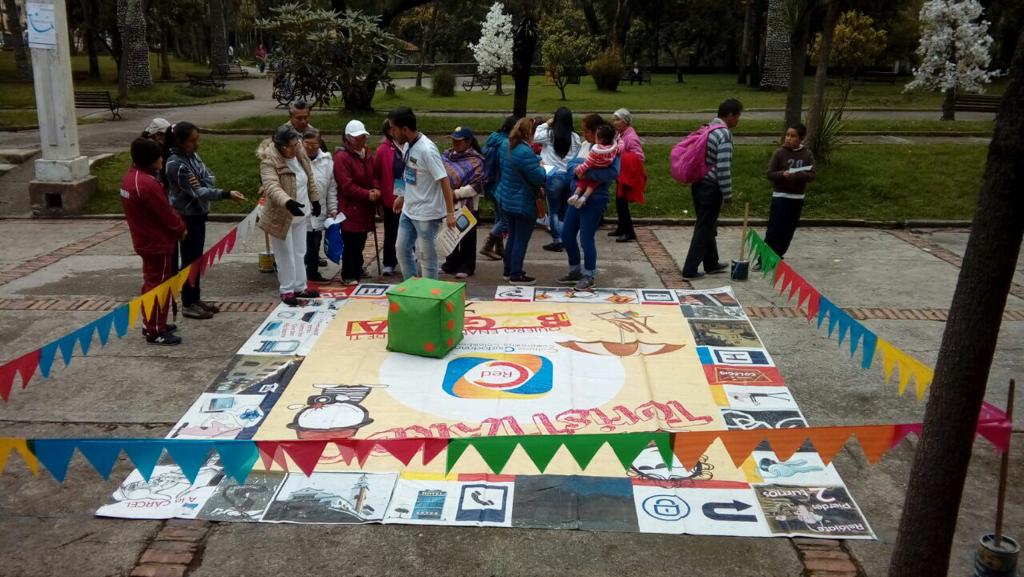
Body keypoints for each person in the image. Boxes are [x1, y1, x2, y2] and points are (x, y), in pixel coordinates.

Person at [164, 121, 246, 319]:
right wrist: (226, 194)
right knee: (190, 261)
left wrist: (202, 182)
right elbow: (198, 191)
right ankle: (188, 302)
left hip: (199, 214)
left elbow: (209, 176)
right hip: (187, 216)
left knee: (197, 261)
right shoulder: (176, 164)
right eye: (192, 141)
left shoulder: (192, 156)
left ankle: (195, 297)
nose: (196, 144)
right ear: (180, 141)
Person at [121, 138, 186, 345]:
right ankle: (155, 329)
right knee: (159, 285)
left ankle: (153, 322)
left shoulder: (132, 178)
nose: (161, 160)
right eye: (159, 156)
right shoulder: (147, 184)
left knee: (152, 282)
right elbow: (164, 212)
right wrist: (180, 229)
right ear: (151, 160)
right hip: (157, 242)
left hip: (146, 239)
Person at [388, 107, 456, 280]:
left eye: (393, 128)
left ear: (404, 129)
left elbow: (444, 180)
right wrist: (401, 196)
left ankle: (430, 294)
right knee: (401, 250)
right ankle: (412, 287)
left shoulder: (427, 149)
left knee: (428, 259)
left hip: (427, 213)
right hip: (409, 210)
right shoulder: (407, 146)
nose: (391, 133)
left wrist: (450, 213)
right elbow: (408, 173)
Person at [258, 125, 322, 305]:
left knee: (300, 251)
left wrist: (314, 199)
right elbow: (272, 187)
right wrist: (288, 202)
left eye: (297, 144)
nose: (296, 148)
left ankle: (300, 286)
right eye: (291, 146)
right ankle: (286, 289)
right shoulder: (268, 161)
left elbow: (309, 176)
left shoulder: (299, 151)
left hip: (301, 213)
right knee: (285, 254)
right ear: (280, 146)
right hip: (281, 216)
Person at [681, 98, 743, 280]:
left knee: (707, 225)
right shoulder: (724, 134)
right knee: (704, 227)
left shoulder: (707, 128)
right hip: (711, 187)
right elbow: (723, 167)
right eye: (738, 116)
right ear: (731, 115)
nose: (738, 120)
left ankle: (711, 262)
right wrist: (728, 193)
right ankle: (690, 269)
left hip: (699, 184)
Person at [559, 114, 621, 291]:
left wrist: (586, 172)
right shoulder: (585, 145)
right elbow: (571, 166)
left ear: (596, 133)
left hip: (594, 199)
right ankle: (574, 270)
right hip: (575, 195)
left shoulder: (609, 149)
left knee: (586, 238)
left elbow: (612, 173)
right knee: (567, 234)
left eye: (585, 130)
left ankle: (589, 274)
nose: (582, 133)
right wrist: (579, 169)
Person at [496, 118, 546, 286]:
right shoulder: (525, 152)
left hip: (507, 198)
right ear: (529, 133)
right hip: (523, 202)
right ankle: (516, 274)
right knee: (521, 239)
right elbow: (539, 178)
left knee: (512, 236)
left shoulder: (505, 146)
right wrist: (541, 166)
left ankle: (508, 270)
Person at [762, 123, 816, 265]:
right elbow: (770, 173)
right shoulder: (779, 153)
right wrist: (782, 174)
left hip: (797, 198)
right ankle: (763, 259)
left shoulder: (807, 154)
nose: (789, 139)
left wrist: (799, 174)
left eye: (793, 136)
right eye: (787, 135)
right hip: (780, 196)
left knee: (788, 230)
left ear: (801, 138)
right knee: (774, 229)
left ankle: (778, 255)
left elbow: (812, 174)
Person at [334, 119, 378, 285]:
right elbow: (346, 186)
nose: (361, 140)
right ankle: (348, 273)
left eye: (363, 137)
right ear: (348, 139)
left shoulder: (366, 153)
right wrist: (368, 194)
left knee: (360, 240)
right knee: (350, 242)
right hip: (350, 208)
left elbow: (374, 174)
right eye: (357, 137)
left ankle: (358, 268)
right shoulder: (342, 158)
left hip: (365, 208)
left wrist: (375, 188)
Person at [533, 107, 582, 252]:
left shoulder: (549, 134)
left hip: (553, 175)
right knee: (565, 210)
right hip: (569, 175)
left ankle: (557, 240)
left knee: (553, 210)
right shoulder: (575, 137)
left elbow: (535, 136)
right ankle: (567, 237)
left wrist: (546, 123)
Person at [440, 126, 486, 278]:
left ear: (468, 142)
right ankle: (451, 263)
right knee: (450, 232)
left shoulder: (476, 161)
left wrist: (455, 194)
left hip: (468, 204)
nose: (455, 143)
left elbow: (477, 185)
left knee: (467, 236)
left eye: (458, 141)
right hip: (448, 202)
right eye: (453, 140)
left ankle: (466, 266)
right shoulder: (446, 156)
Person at [478, 115, 516, 261]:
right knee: (505, 219)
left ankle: (500, 248)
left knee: (499, 217)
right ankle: (488, 246)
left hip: (489, 183)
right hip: (499, 184)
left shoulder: (494, 137)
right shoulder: (506, 143)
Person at [303, 128, 336, 282]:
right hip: (301, 210)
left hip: (319, 209)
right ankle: (299, 274)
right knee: (301, 246)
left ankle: (312, 272)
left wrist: (333, 208)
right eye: (307, 144)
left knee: (315, 244)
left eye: (314, 144)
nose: (310, 147)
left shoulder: (327, 162)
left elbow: (331, 188)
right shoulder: (296, 160)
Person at [608, 108, 646, 243]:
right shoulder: (621, 134)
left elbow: (639, 157)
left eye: (617, 119)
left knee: (622, 203)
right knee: (619, 202)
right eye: (614, 119)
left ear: (625, 121)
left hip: (627, 175)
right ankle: (621, 227)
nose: (614, 122)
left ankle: (629, 232)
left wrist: (624, 158)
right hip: (621, 173)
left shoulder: (631, 137)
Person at [371, 119, 403, 277]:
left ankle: (406, 259)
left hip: (408, 196)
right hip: (391, 198)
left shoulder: (407, 146)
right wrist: (378, 192)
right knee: (391, 231)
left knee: (408, 232)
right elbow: (376, 174)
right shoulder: (383, 150)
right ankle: (389, 262)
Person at [568, 124, 617, 208]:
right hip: (595, 180)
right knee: (591, 186)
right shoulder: (612, 148)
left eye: (587, 131)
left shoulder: (596, 150)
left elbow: (588, 163)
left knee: (582, 183)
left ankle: (576, 195)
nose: (584, 135)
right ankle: (583, 198)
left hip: (596, 197)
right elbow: (570, 164)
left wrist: (580, 170)